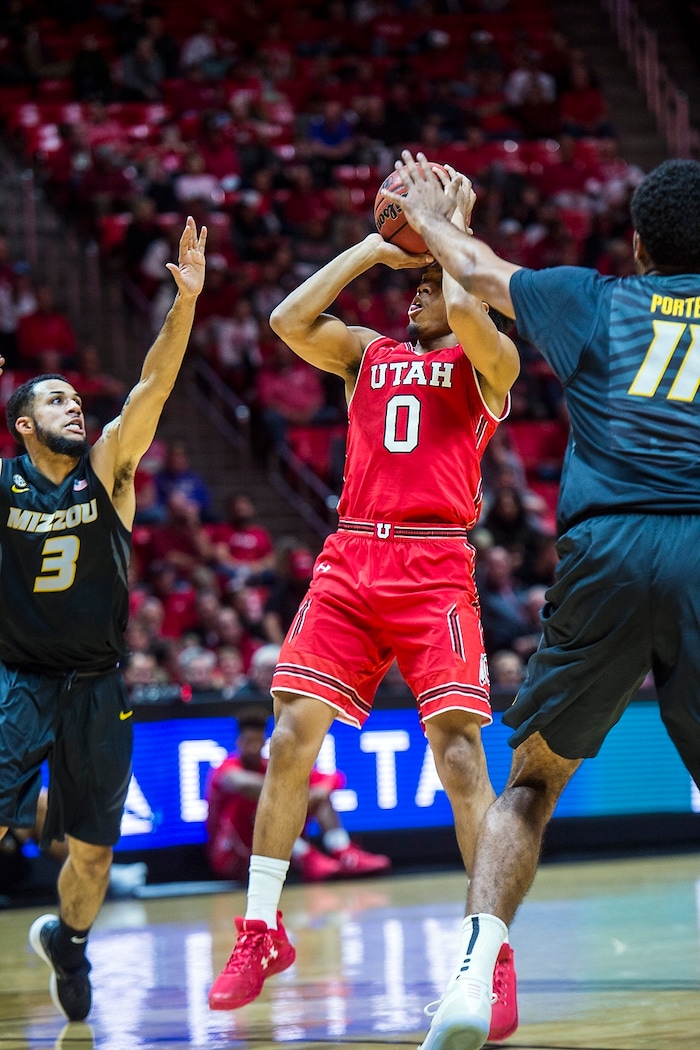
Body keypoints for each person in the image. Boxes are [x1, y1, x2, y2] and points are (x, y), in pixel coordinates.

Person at [389, 151, 700, 1050]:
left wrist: (440, 213)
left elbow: (479, 274)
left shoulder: (592, 299)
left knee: (528, 783)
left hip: (607, 548)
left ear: (637, 243)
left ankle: (473, 976)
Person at [207, 183, 520, 1050]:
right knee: (291, 733)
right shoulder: (366, 353)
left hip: (434, 565)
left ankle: (487, 952)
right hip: (353, 555)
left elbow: (467, 300)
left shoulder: (488, 362)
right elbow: (285, 320)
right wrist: (378, 250)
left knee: (459, 751)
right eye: (411, 284)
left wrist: (449, 236)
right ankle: (259, 930)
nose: (416, 291)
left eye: (428, 283)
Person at [0, 215, 206, 1023]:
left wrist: (183, 304)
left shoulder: (107, 470)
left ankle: (71, 944)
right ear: (22, 424)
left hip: (96, 683)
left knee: (94, 853)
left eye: (77, 399)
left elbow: (153, 387)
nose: (73, 407)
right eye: (55, 400)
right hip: (19, 677)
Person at [205, 708, 391, 884]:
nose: (252, 747)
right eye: (247, 742)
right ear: (238, 742)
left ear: (264, 741)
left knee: (318, 795)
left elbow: (332, 778)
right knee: (258, 800)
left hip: (272, 856)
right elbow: (243, 784)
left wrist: (316, 793)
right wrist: (295, 793)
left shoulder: (272, 766)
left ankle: (343, 852)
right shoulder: (226, 767)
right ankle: (307, 858)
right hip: (232, 857)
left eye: (256, 741)